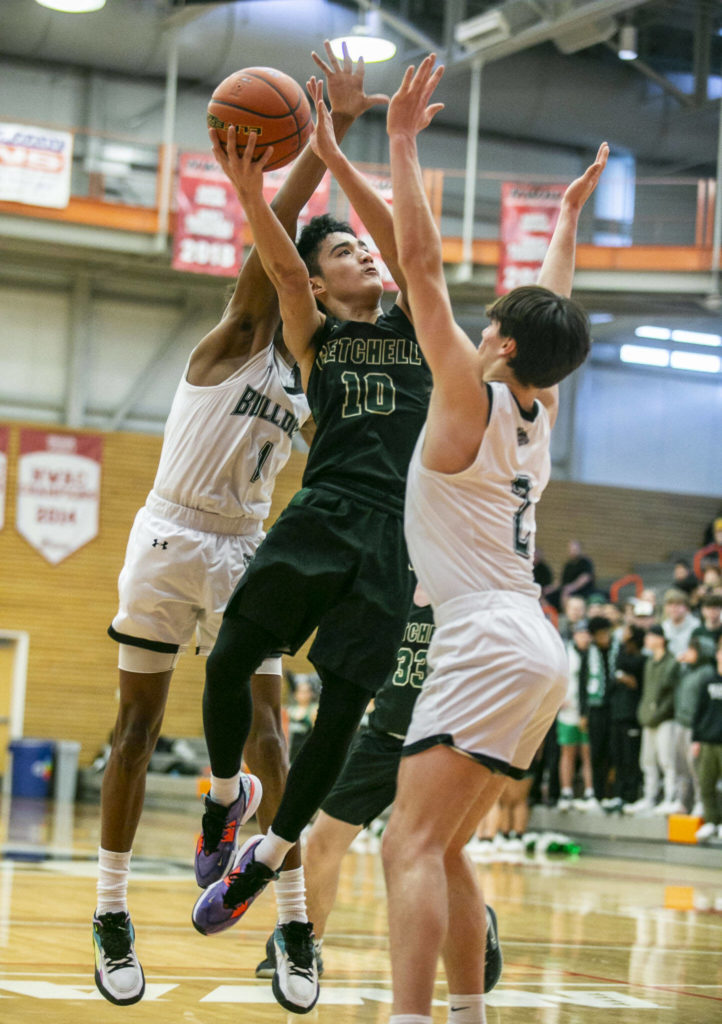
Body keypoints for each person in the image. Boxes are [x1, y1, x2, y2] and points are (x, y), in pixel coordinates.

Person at [91, 47, 385, 1009]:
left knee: (275, 736)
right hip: (170, 534)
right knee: (133, 730)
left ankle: (293, 925)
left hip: (250, 544)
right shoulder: (249, 330)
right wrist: (309, 143)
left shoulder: (326, 363)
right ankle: (112, 909)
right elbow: (281, 234)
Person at [190, 47, 433, 1005]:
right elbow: (280, 266)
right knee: (227, 663)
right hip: (321, 516)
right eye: (344, 254)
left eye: (363, 250)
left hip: (395, 538)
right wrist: (257, 193)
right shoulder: (316, 330)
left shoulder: (417, 320)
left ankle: (268, 858)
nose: (361, 256)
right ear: (324, 284)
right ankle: (224, 803)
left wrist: (337, 145)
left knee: (340, 708)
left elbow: (408, 244)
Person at [379, 55, 608, 1024]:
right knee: (448, 844)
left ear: (503, 344)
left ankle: (407, 1018)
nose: (477, 321)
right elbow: (546, 306)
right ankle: (464, 1016)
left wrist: (397, 141)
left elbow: (420, 267)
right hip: (532, 642)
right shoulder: (534, 405)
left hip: (480, 633)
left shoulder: (467, 398)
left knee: (408, 844)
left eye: (492, 320)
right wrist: (562, 222)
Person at [255, 582, 503, 995]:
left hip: (440, 740)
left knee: (438, 853)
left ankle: (478, 923)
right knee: (321, 841)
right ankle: (306, 945)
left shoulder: (464, 587)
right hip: (383, 738)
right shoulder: (390, 585)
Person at [625, 624, 684, 816]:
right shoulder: (649, 662)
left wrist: (658, 714)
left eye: (650, 636)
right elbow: (647, 692)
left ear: (660, 639)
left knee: (667, 761)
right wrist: (645, 714)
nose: (646, 640)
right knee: (647, 760)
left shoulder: (672, 662)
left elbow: (671, 695)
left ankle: (670, 799)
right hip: (648, 719)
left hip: (665, 719)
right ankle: (649, 797)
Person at [607, 623, 646, 811]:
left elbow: (629, 668)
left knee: (631, 758)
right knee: (618, 756)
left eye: (628, 633)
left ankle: (631, 796)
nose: (624, 635)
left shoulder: (641, 659)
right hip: (617, 714)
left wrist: (625, 677)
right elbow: (617, 672)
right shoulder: (621, 654)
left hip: (632, 715)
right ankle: (619, 794)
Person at [556, 621, 593, 811]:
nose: (584, 637)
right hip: (568, 710)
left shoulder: (593, 654)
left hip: (587, 710)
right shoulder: (565, 653)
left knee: (588, 752)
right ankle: (566, 791)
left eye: (587, 633)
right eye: (580, 633)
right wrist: (557, 699)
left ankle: (589, 792)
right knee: (568, 752)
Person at [691, 633, 722, 842]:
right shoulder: (708, 680)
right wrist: (695, 739)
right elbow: (699, 711)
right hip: (708, 741)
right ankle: (711, 821)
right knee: (706, 784)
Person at [661, 587, 700, 657]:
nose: (673, 608)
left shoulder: (696, 626)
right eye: (670, 605)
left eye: (678, 605)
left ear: (687, 607)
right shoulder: (664, 626)